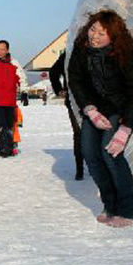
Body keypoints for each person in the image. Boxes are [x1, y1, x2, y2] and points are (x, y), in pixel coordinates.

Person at [68, 9, 133, 228]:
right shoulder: (81, 49)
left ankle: (128, 210)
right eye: (93, 29)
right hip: (95, 109)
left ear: (113, 36)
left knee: (110, 154)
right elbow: (76, 80)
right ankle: (110, 205)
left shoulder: (125, 53)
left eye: (101, 33)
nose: (94, 36)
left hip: (120, 109)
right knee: (90, 154)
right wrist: (90, 110)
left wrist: (125, 129)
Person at [49, 51, 84, 180]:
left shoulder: (69, 53)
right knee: (81, 134)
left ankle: (82, 169)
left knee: (81, 134)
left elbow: (53, 72)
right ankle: (81, 169)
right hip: (75, 100)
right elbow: (53, 72)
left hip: (85, 100)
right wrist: (58, 89)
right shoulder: (68, 55)